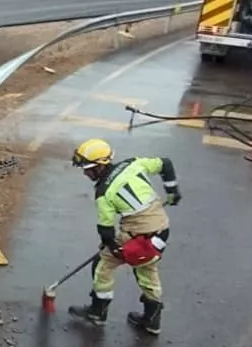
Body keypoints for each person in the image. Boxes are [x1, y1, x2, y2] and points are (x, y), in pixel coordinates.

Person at [68, 138, 181, 334]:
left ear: (100, 166)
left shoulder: (104, 193)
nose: (85, 173)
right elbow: (166, 164)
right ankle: (152, 320)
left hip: (136, 236)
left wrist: (110, 248)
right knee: (147, 270)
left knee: (102, 266)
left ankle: (97, 313)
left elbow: (106, 231)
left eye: (88, 168)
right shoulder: (133, 163)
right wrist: (172, 191)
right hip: (161, 230)